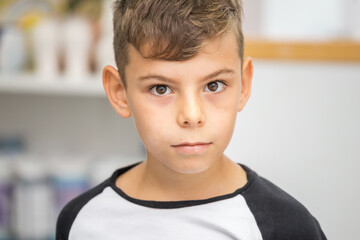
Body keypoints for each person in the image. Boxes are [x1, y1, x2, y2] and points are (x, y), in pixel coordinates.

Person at [56, 0, 327, 239]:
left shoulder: (288, 227)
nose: (192, 116)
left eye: (214, 85)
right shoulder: (82, 221)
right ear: (120, 92)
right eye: (160, 88)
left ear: (243, 85)